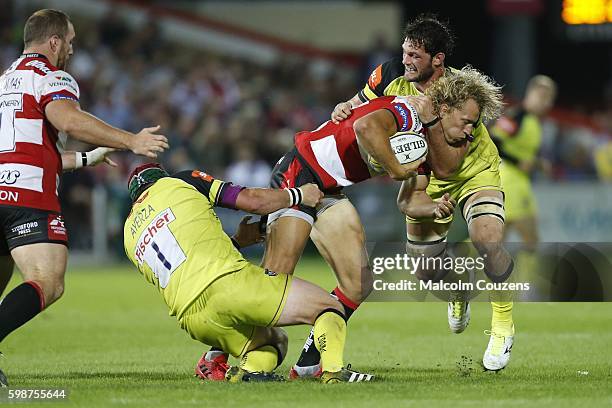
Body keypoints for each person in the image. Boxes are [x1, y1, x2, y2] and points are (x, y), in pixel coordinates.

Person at [328, 14, 516, 372]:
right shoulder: (390, 79)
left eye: (415, 56)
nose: (406, 62)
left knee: (486, 238)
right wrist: (344, 108)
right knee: (426, 271)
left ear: (438, 59)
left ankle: (503, 322)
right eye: (405, 53)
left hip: (472, 172)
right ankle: (459, 290)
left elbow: (448, 166)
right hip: (423, 181)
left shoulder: (463, 93)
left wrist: (427, 120)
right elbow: (356, 107)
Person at [0, 9, 168, 386]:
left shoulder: (4, 82)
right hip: (27, 197)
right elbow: (70, 121)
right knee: (48, 280)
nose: (72, 51)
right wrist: (132, 140)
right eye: (70, 42)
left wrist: (87, 157)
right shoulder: (50, 77)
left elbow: (25, 150)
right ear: (54, 41)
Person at [123, 163, 374, 383]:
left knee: (272, 344)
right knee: (329, 308)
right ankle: (333, 373)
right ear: (160, 177)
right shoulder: (179, 182)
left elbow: (183, 263)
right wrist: (298, 194)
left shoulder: (129, 236)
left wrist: (237, 242)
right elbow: (253, 201)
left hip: (193, 318)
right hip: (227, 284)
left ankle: (248, 374)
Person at [490, 75, 557, 250]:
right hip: (508, 181)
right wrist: (517, 161)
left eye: (550, 99)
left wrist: (538, 163)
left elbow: (521, 152)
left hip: (519, 182)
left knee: (498, 238)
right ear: (532, 93)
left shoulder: (533, 121)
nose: (547, 103)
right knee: (530, 238)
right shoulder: (517, 116)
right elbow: (493, 141)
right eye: (543, 97)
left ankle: (457, 263)